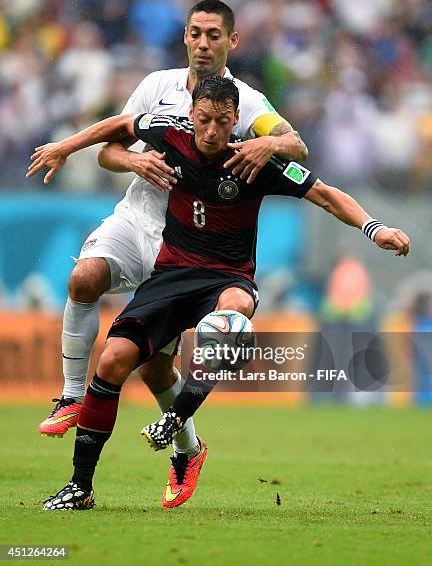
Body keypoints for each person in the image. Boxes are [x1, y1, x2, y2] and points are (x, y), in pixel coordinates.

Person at [36, 75, 410, 510]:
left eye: (222, 121)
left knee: (231, 318)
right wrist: (65, 146)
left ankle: (177, 417)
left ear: (236, 121)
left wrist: (374, 227)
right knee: (114, 360)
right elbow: (117, 127)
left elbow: (325, 195)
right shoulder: (168, 132)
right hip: (171, 275)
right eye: (205, 119)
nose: (212, 130)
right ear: (192, 114)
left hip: (228, 278)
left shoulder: (254, 161)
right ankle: (81, 486)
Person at [28, 0, 308, 509]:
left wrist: (270, 146)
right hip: (136, 217)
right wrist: (135, 163)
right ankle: (71, 394)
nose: (204, 44)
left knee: (156, 369)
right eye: (196, 34)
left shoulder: (247, 102)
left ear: (232, 42)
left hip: (185, 244)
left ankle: (188, 450)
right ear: (185, 37)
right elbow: (111, 147)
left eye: (214, 36)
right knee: (83, 278)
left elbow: (295, 143)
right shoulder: (157, 86)